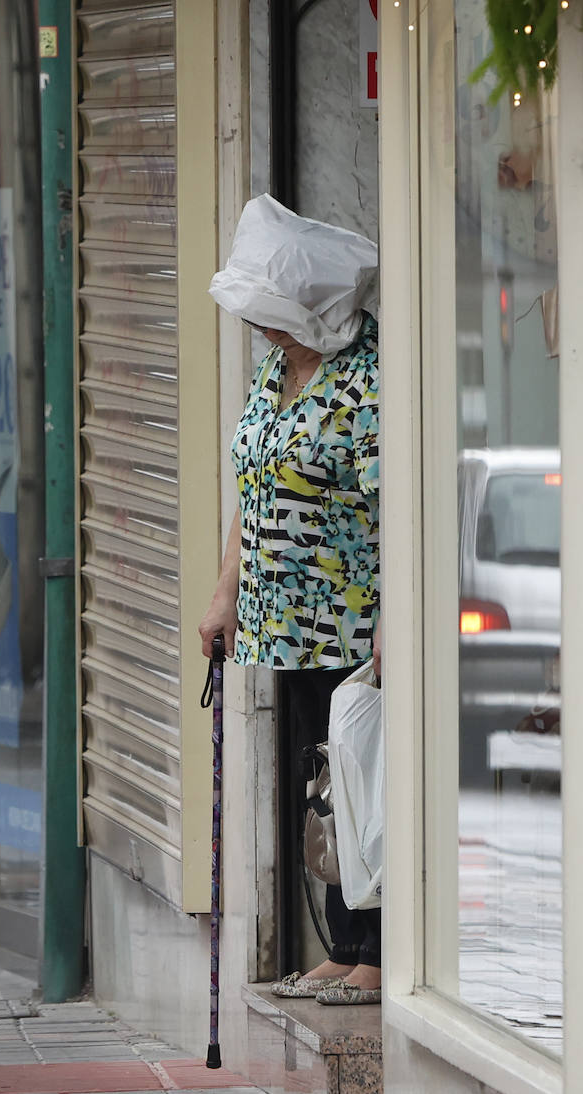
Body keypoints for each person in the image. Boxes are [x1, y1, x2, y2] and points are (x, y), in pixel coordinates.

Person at [200, 195, 382, 1006]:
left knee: (367, 784)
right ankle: (342, 945)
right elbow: (251, 485)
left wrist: (398, 629)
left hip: (355, 624)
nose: (262, 331)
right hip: (280, 623)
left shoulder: (370, 379)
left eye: (274, 316)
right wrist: (223, 595)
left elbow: (396, 511)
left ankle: (382, 950)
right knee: (321, 787)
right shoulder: (279, 367)